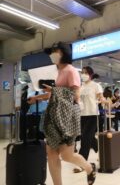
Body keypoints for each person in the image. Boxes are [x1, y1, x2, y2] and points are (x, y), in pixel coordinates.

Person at [28, 42, 96, 185]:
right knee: (52, 154)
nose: (53, 55)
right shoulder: (57, 72)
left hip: (67, 117)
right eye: (52, 52)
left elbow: (75, 95)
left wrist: (53, 91)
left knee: (67, 155)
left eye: (56, 52)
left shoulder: (71, 70)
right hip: (54, 116)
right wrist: (37, 98)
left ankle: (89, 168)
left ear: (64, 54)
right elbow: (55, 95)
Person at [73, 66, 104, 173]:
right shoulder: (80, 87)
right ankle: (102, 151)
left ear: (90, 74)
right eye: (82, 72)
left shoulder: (96, 85)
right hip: (82, 115)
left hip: (93, 115)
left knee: (85, 139)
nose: (83, 74)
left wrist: (104, 101)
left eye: (85, 73)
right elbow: (77, 99)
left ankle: (82, 163)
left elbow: (101, 97)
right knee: (88, 137)